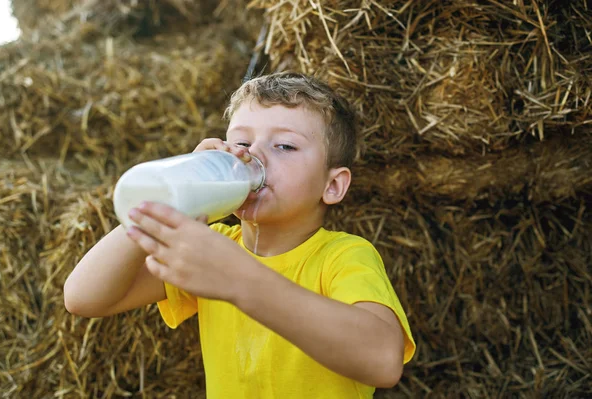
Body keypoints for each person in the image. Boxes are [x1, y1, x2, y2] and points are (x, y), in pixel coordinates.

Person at [64, 72, 416, 398]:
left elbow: (383, 361)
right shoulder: (212, 246)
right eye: (241, 142)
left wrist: (240, 281)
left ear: (333, 185)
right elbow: (84, 297)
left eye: (285, 146)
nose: (252, 156)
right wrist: (171, 195)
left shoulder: (341, 256)